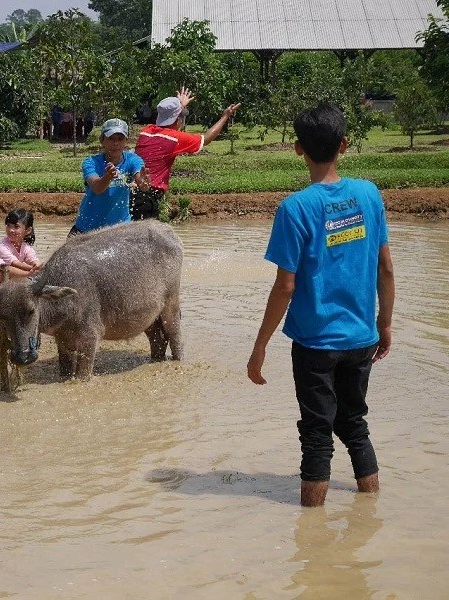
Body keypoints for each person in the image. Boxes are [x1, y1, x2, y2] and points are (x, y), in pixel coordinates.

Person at [246, 103, 395, 507]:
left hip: (315, 343)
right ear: (344, 145)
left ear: (297, 149)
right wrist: (384, 324)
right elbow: (385, 268)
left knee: (316, 433)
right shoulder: (369, 194)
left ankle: (310, 533)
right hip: (361, 337)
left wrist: (260, 345)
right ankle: (370, 506)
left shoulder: (295, 208)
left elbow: (285, 288)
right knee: (354, 424)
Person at [134, 88, 240, 220]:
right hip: (148, 195)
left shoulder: (146, 131)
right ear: (178, 120)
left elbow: (170, 119)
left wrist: (179, 105)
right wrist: (225, 116)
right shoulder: (175, 138)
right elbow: (206, 138)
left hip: (134, 190)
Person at [70, 118, 151, 235]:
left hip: (120, 229)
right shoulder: (91, 162)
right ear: (102, 140)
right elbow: (97, 188)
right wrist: (108, 177)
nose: (116, 143)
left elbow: (142, 183)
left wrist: (144, 183)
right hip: (87, 228)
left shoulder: (133, 160)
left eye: (120, 139)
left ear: (126, 141)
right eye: (111, 138)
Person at [0, 209, 41, 330]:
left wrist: (38, 266)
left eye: (16, 226)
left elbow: (34, 260)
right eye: (9, 225)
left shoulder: (26, 248)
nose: (11, 230)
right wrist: (32, 272)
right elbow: (13, 265)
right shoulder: (2, 246)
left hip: (6, 283)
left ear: (27, 230)